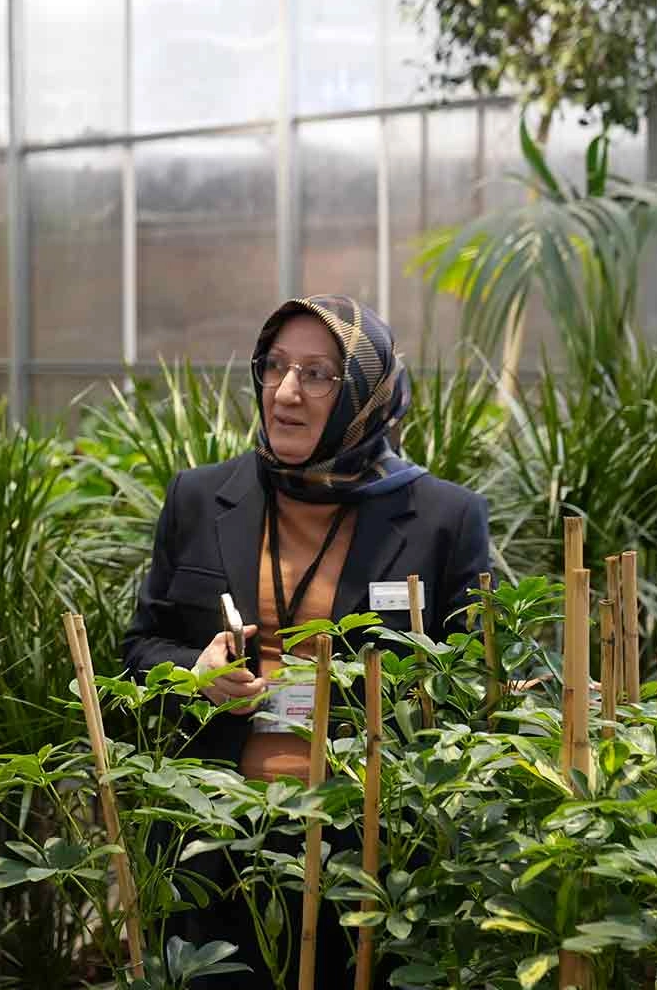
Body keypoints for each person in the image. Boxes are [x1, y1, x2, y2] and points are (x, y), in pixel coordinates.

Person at [122, 295, 491, 988]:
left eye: (318, 374)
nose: (286, 392)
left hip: (369, 857)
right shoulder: (200, 498)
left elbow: (479, 683)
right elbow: (140, 648)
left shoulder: (444, 519)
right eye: (276, 367)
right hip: (216, 845)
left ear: (364, 391)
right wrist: (191, 673)